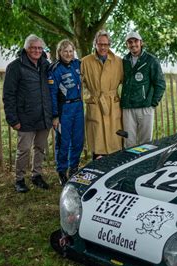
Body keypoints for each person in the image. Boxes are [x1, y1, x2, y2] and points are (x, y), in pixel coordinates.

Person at [3, 34, 52, 193]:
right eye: (33, 47)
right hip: (25, 118)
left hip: (44, 115)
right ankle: (19, 179)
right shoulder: (15, 67)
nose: (37, 51)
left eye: (39, 48)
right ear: (26, 48)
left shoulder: (46, 65)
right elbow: (8, 95)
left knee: (40, 148)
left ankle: (36, 175)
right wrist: (13, 119)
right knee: (23, 149)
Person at [81, 30, 123, 159]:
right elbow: (78, 84)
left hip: (112, 105)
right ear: (95, 44)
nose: (103, 47)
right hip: (96, 104)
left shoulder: (118, 61)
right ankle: (97, 165)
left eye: (106, 44)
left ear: (109, 44)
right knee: (97, 137)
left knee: (114, 139)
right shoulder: (85, 61)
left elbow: (126, 82)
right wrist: (88, 97)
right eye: (100, 44)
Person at [48, 40, 84, 185]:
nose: (68, 54)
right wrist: (55, 115)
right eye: (65, 51)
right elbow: (52, 94)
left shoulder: (77, 64)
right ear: (59, 53)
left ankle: (74, 168)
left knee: (78, 141)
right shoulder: (55, 69)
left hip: (78, 106)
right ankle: (62, 171)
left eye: (70, 51)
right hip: (64, 110)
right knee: (63, 142)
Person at [120, 31, 166, 148]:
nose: (133, 44)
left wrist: (152, 103)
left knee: (145, 143)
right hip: (128, 108)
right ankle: (130, 165)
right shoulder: (124, 61)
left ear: (141, 42)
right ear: (127, 45)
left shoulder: (151, 60)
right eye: (130, 42)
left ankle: (145, 166)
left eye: (135, 41)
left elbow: (160, 84)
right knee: (129, 141)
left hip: (145, 107)